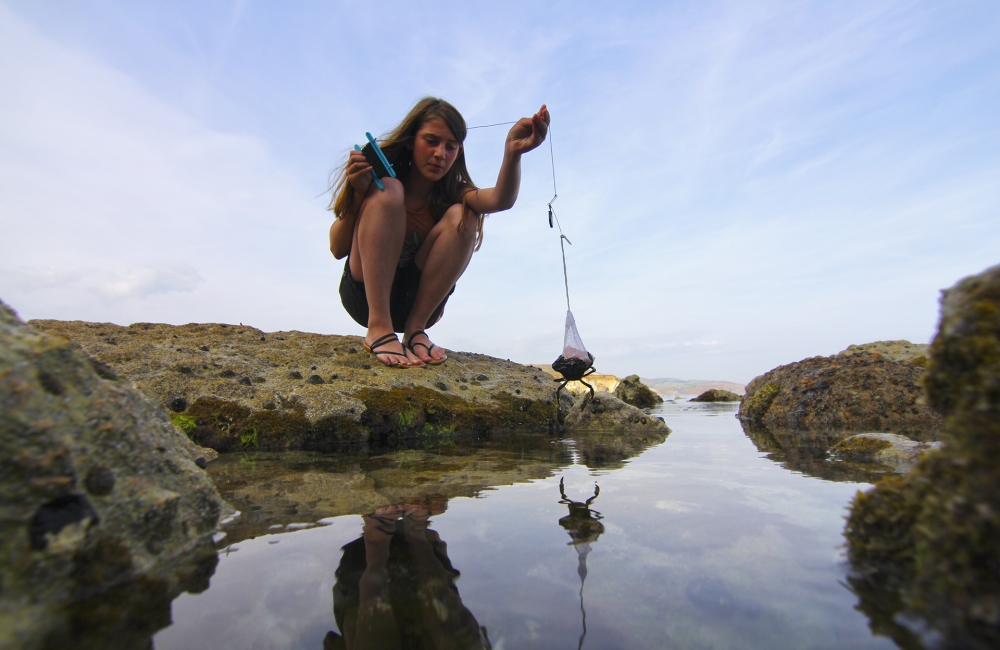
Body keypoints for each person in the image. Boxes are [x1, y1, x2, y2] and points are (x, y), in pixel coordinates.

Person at [329, 98, 550, 367]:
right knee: (390, 189)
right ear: (411, 140)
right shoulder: (377, 182)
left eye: (451, 146)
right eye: (431, 141)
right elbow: (337, 248)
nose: (440, 154)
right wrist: (359, 194)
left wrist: (513, 151)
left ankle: (415, 332)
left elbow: (500, 200)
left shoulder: (453, 194)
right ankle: (379, 327)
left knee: (463, 213)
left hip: (418, 307)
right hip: (364, 298)